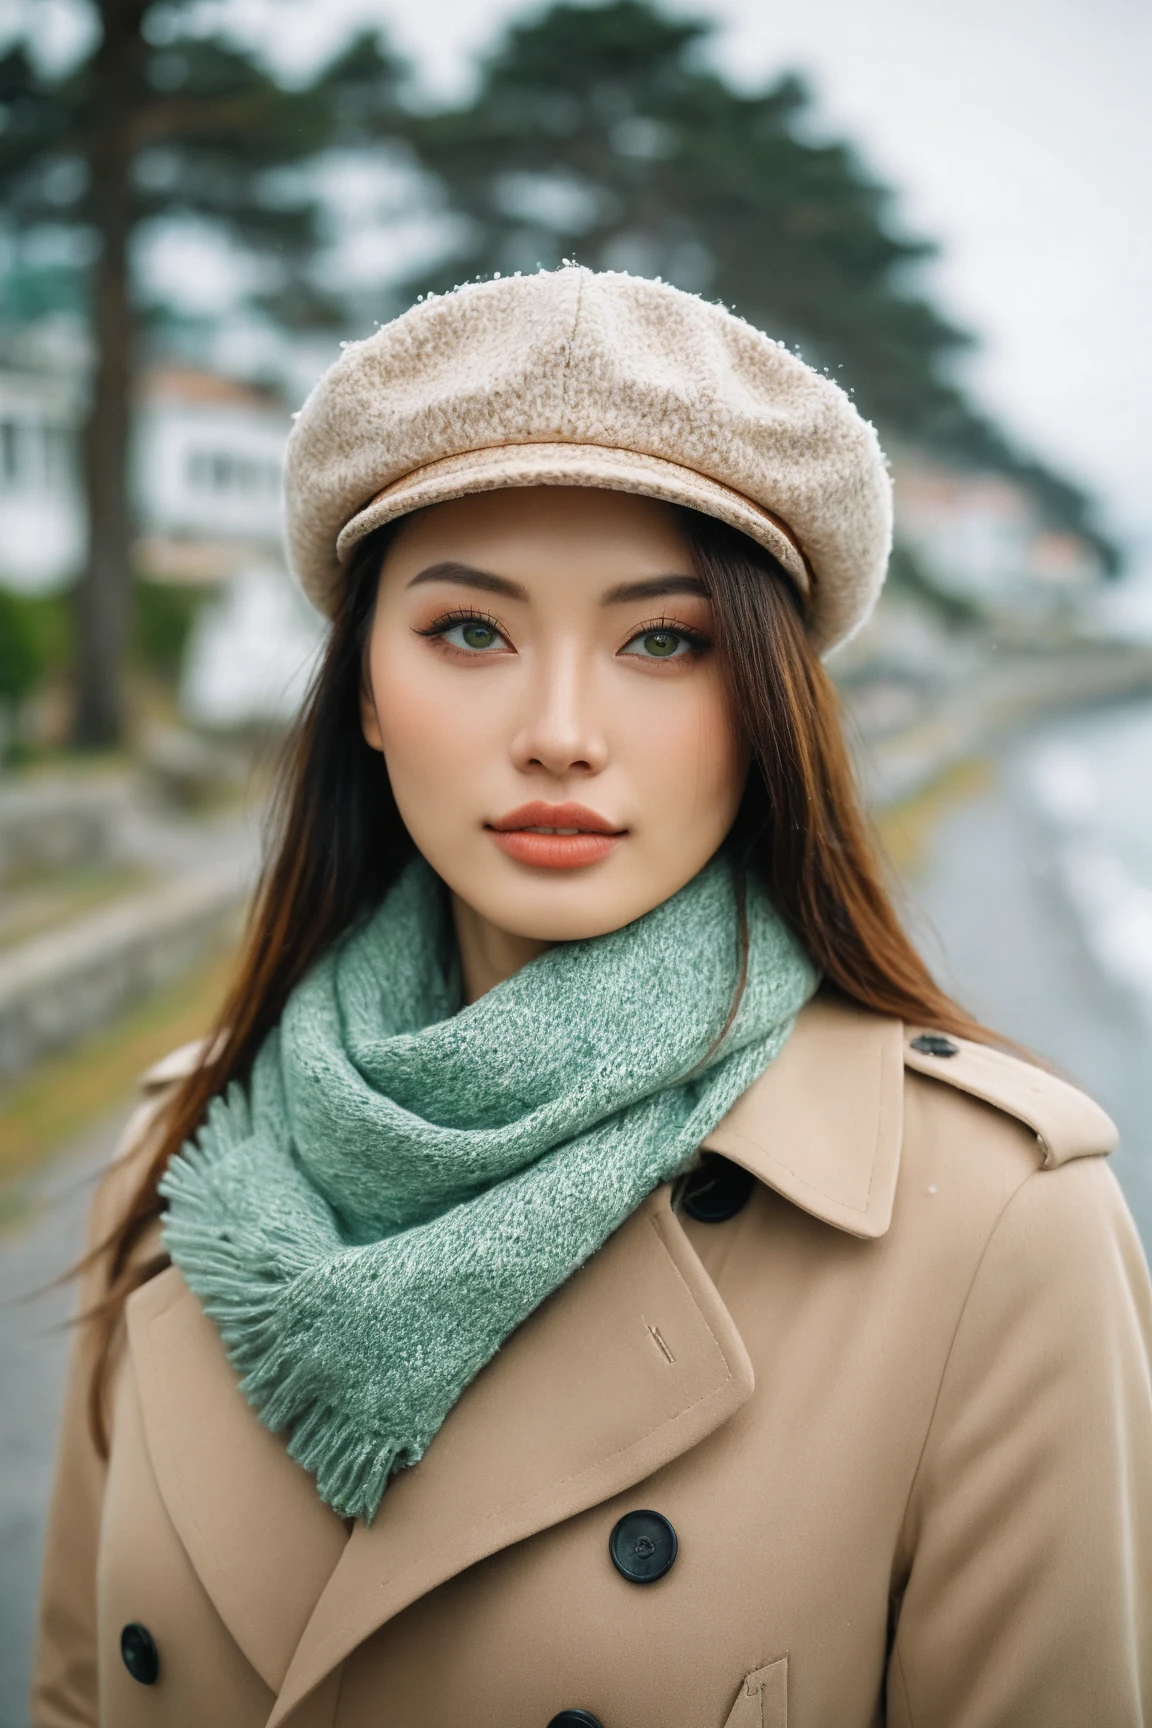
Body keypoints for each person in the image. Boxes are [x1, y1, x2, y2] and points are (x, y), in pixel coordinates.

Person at [33, 267, 1152, 1728]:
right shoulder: (191, 1149)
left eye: (664, 641)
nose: (560, 735)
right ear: (363, 689)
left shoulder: (999, 1222)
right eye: (470, 633)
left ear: (769, 702)